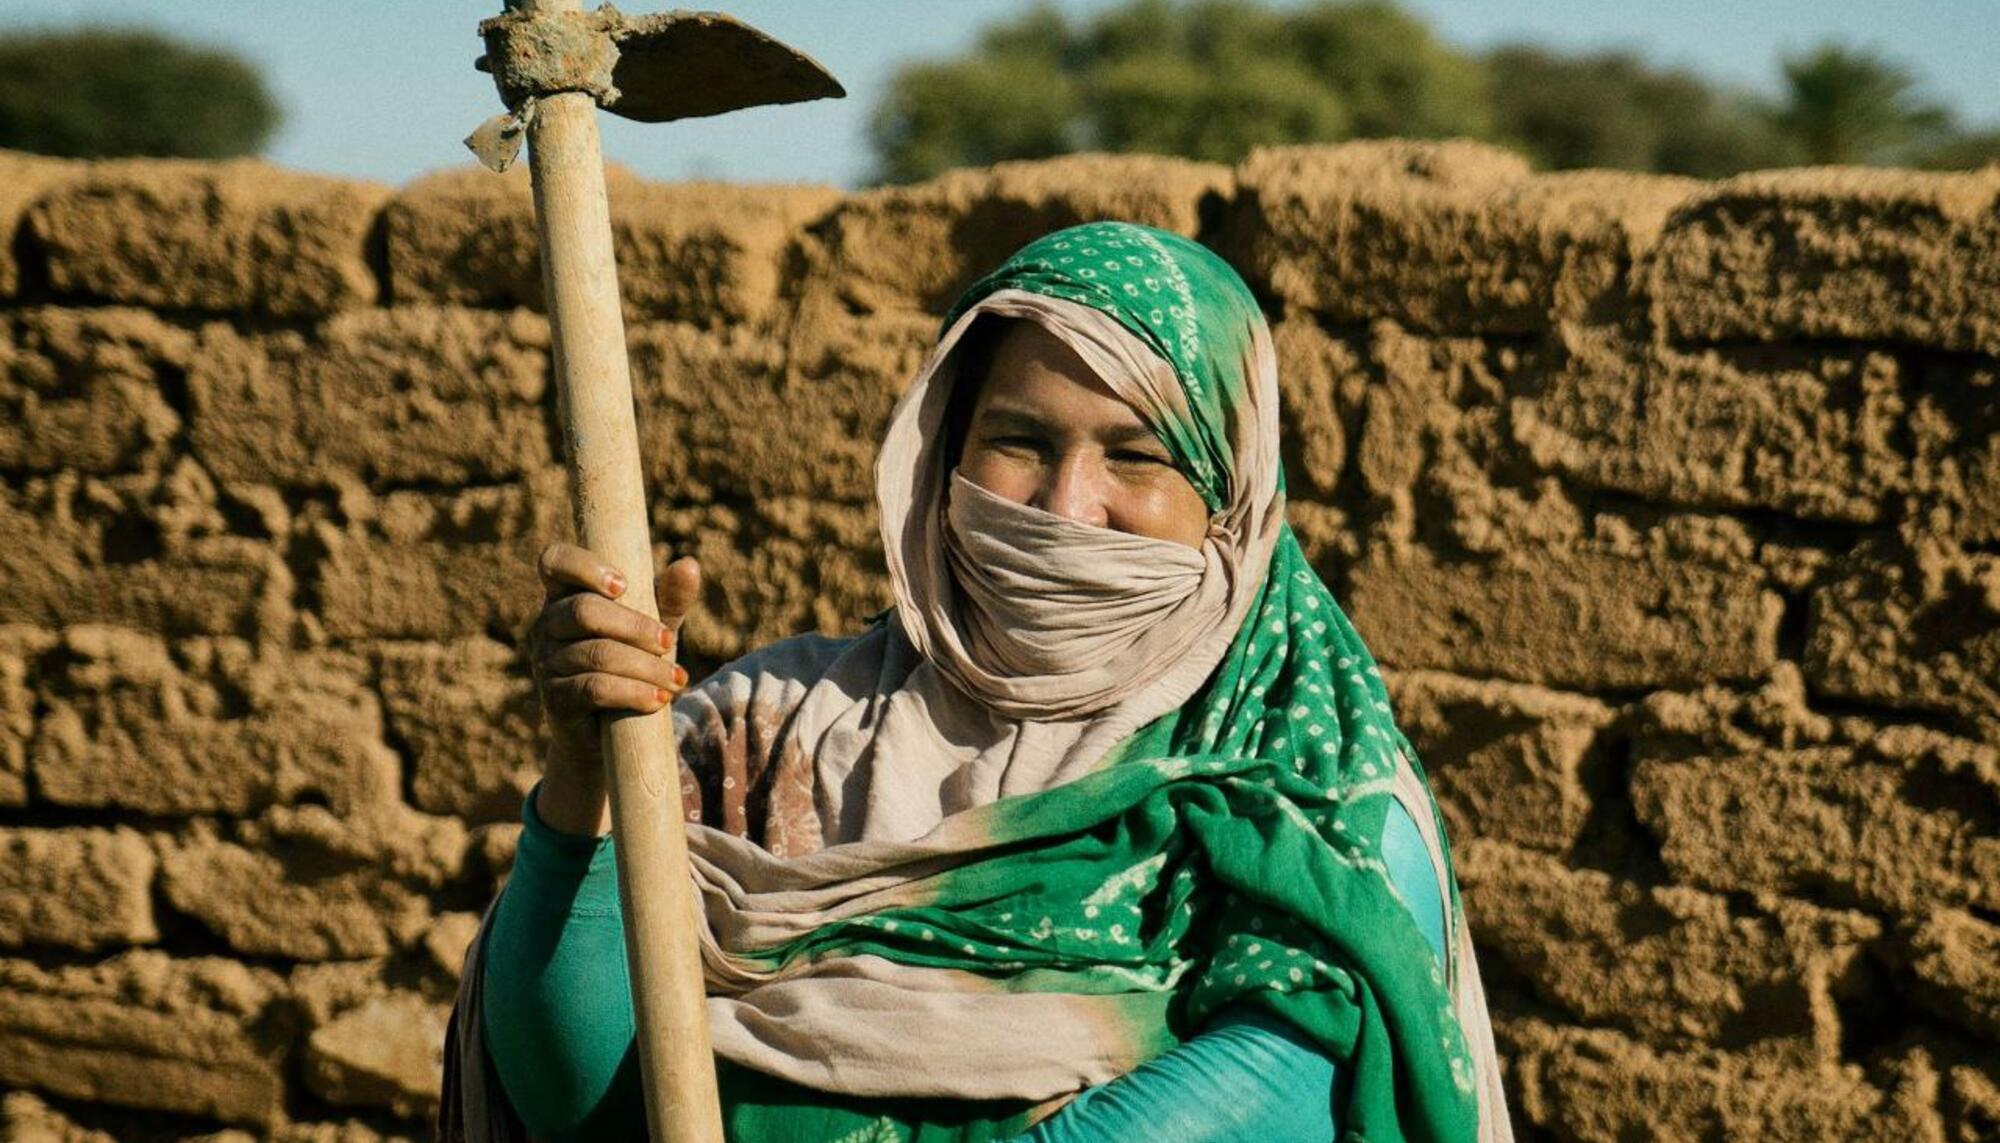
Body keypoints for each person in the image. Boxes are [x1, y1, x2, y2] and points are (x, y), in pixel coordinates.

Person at [440, 222, 1512, 1143]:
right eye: (1018, 440)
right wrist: (587, 772)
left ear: (1228, 493)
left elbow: (1300, 1065)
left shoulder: (1309, 787)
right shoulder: (762, 733)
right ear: (943, 456)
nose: (1064, 504)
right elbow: (578, 1096)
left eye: (1136, 456)